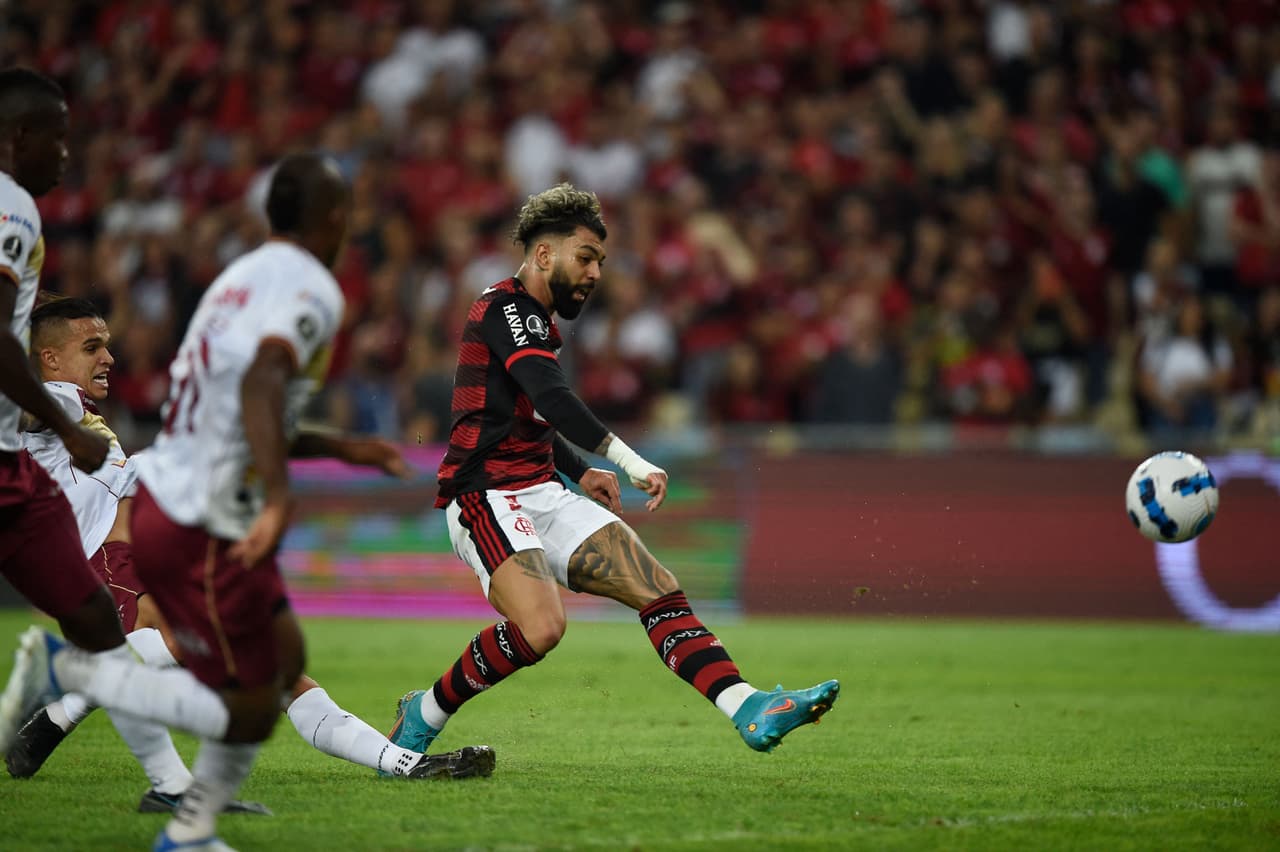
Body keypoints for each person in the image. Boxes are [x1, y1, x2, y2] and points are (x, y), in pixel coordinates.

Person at [388, 183, 838, 760]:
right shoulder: (503, 309)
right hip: (486, 495)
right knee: (543, 628)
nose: (597, 272)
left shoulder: (539, 322)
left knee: (657, 588)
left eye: (600, 260)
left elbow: (524, 416)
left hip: (544, 489)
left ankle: (747, 705)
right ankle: (422, 715)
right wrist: (623, 461)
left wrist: (578, 470)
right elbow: (550, 397)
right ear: (545, 255)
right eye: (586, 257)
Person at [7, 298, 490, 811]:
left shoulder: (75, 414)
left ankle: (404, 762)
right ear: (49, 360)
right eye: (91, 347)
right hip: (111, 566)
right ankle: (65, 696)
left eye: (106, 345)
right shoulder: (53, 401)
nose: (108, 358)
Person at [0, 70, 271, 812]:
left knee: (100, 630)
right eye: (56, 135)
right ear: (18, 136)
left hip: (26, 491)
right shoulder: (11, 210)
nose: (66, 151)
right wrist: (62, 429)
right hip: (18, 478)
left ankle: (167, 786)